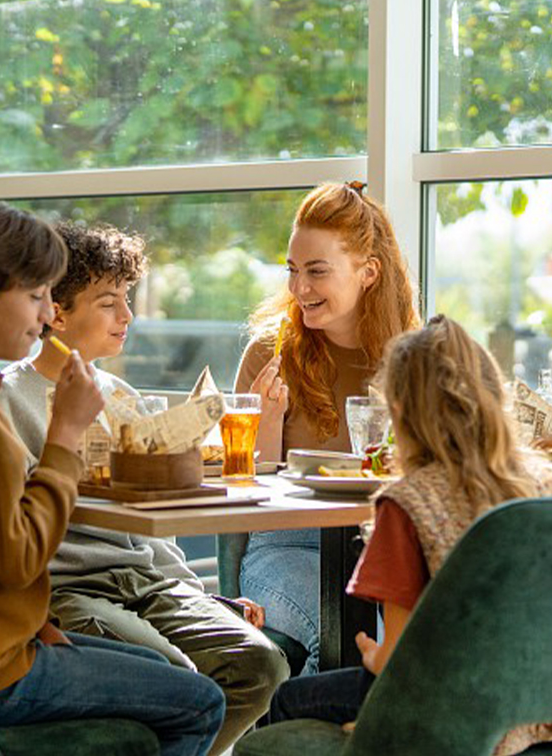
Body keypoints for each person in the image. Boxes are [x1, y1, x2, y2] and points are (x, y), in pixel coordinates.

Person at [0, 193, 224, 756]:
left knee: (153, 666)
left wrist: (28, 623)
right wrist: (66, 437)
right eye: (34, 296)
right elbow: (17, 555)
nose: (45, 312)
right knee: (199, 702)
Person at [0, 220, 289, 754]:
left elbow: (155, 534)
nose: (128, 316)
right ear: (56, 313)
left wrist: (202, 595)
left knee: (260, 665)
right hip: (69, 591)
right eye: (109, 302)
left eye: (127, 298)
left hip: (148, 582)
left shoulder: (122, 394)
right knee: (182, 682)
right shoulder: (6, 401)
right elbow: (8, 530)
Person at [266, 315, 552, 755]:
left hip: (462, 708)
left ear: (399, 413)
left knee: (288, 699)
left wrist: (369, 651)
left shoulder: (410, 503)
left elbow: (398, 665)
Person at [233, 181, 421, 675]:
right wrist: (267, 425)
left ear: (369, 273)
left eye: (317, 271)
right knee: (341, 630)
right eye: (293, 271)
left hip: (390, 548)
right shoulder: (267, 353)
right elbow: (239, 489)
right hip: (288, 545)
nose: (299, 289)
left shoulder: (415, 357)